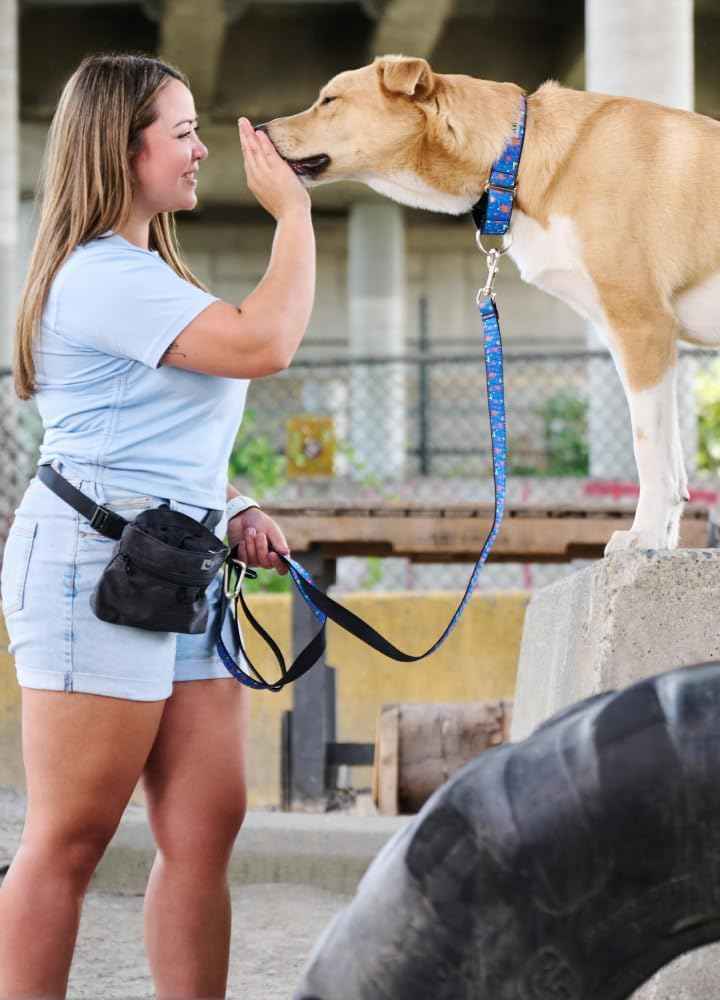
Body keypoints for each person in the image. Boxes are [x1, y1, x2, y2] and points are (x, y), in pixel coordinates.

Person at [0, 53, 315, 999]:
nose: (200, 150)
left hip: (173, 559)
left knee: (206, 823)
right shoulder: (97, 274)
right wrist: (293, 215)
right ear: (121, 149)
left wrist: (233, 504)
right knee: (70, 838)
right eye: (180, 132)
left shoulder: (145, 268)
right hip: (89, 569)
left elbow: (157, 435)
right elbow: (265, 343)